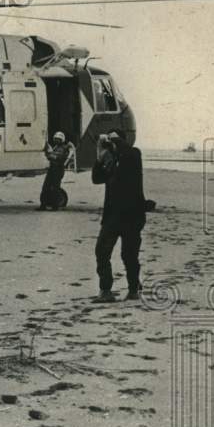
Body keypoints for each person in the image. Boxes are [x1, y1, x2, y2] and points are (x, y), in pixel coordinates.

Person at [91, 128, 146, 303]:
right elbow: (97, 178)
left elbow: (128, 153)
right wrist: (99, 157)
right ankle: (105, 290)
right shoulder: (110, 159)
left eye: (115, 140)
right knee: (102, 251)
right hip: (112, 216)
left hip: (131, 215)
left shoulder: (133, 155)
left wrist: (113, 140)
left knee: (129, 255)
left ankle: (133, 289)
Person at [38, 131, 71, 211]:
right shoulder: (56, 147)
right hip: (52, 168)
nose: (56, 140)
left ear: (62, 140)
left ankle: (54, 206)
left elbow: (58, 158)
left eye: (58, 139)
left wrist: (49, 155)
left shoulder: (64, 148)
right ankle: (43, 205)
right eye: (55, 139)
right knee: (46, 187)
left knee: (55, 188)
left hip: (58, 169)